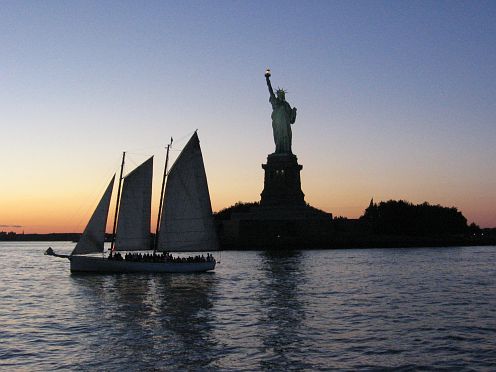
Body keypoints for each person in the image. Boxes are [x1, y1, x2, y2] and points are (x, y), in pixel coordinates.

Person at [265, 71, 297, 154]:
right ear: (278, 95)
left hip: (286, 124)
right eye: (279, 94)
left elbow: (291, 120)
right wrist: (267, 79)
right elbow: (270, 91)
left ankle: (287, 150)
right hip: (278, 124)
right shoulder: (275, 102)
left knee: (286, 136)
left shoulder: (286, 104)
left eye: (282, 94)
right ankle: (278, 150)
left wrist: (293, 112)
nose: (281, 95)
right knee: (279, 137)